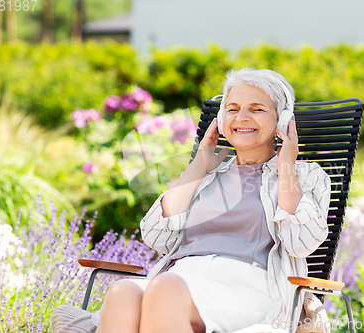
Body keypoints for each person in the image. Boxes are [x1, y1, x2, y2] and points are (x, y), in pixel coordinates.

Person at [92, 68, 331, 333]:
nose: (242, 117)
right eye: (232, 108)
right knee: (122, 292)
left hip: (249, 287)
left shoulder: (305, 176)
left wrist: (286, 165)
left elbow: (300, 243)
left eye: (257, 109)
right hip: (182, 277)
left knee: (166, 288)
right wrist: (200, 162)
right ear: (220, 118)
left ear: (282, 120)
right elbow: (156, 236)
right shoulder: (207, 175)